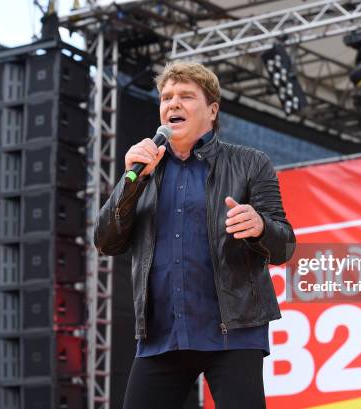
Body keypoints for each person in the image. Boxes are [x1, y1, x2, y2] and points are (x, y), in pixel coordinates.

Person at [94, 61, 296, 409]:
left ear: (212, 110)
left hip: (234, 332)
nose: (173, 104)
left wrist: (260, 226)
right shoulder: (144, 172)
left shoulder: (250, 163)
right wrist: (132, 182)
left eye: (186, 96)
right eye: (167, 97)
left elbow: (285, 243)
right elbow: (105, 240)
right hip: (162, 336)